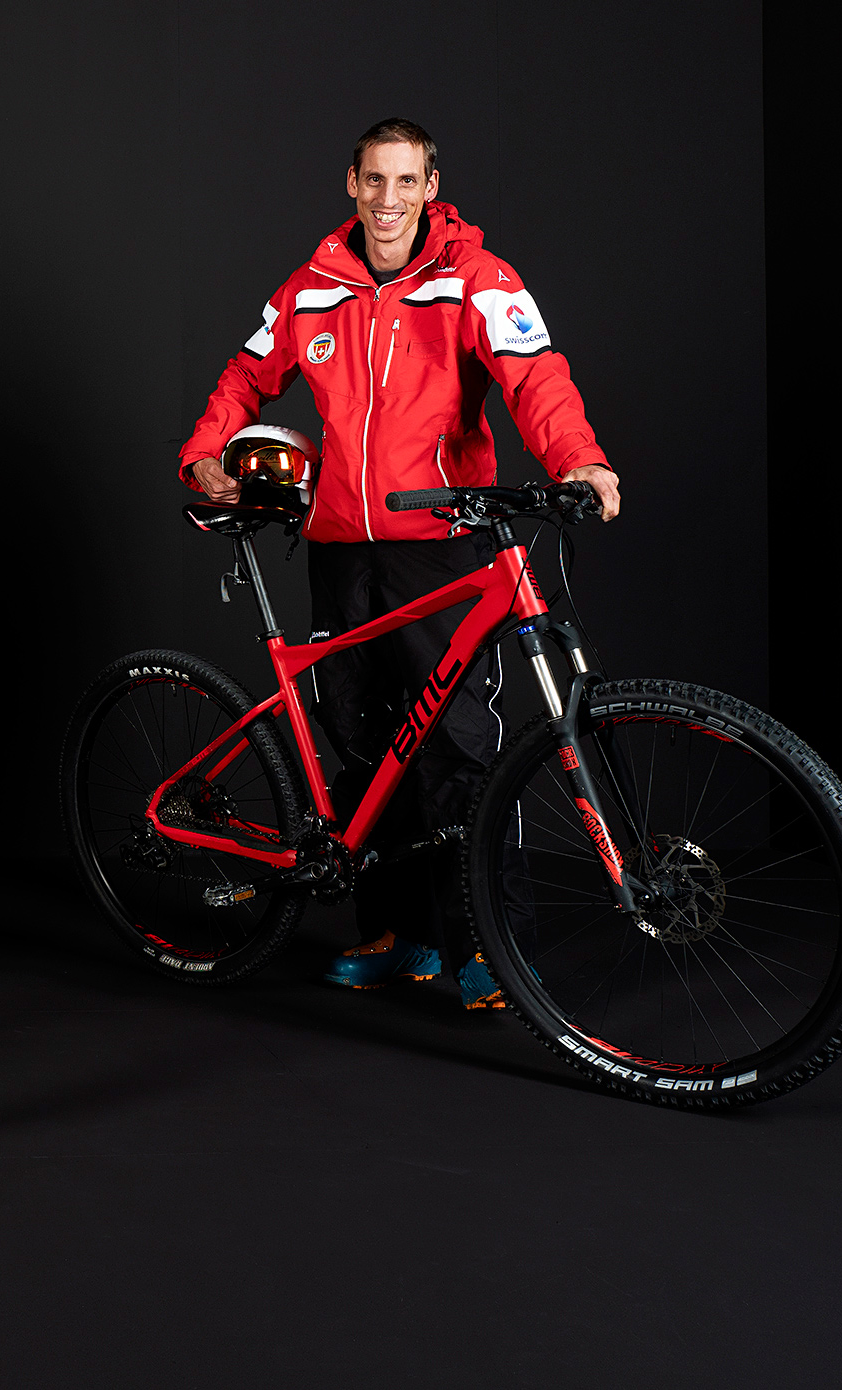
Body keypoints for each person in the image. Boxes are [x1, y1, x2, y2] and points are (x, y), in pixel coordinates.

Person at [178, 119, 619, 1008]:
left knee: (456, 747)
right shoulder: (311, 288)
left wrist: (579, 458)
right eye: (373, 180)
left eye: (405, 182)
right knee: (359, 742)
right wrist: (204, 452)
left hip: (439, 547)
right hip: (341, 546)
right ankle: (395, 932)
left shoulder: (476, 281)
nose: (388, 200)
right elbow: (247, 373)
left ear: (431, 186)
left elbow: (537, 375)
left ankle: (488, 949)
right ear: (350, 183)